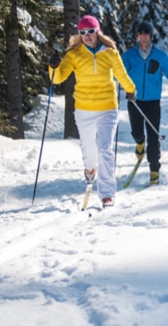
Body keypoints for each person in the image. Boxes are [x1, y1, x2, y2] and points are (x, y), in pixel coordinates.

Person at [48, 15, 136, 208]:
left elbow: (121, 74)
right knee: (89, 150)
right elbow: (58, 78)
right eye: (83, 32)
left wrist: (130, 89)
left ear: (97, 32)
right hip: (84, 109)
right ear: (79, 35)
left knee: (105, 149)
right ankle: (89, 170)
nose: (87, 36)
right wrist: (52, 66)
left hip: (107, 108)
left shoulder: (110, 53)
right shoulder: (74, 54)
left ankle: (107, 194)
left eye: (90, 31)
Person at [121, 21, 168, 185]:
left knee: (153, 137)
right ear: (137, 36)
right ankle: (139, 143)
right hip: (134, 100)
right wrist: (124, 87)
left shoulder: (160, 56)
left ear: (151, 35)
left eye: (146, 33)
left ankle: (154, 170)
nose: (143, 36)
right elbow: (118, 72)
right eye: (140, 33)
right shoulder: (129, 56)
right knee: (136, 132)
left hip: (153, 102)